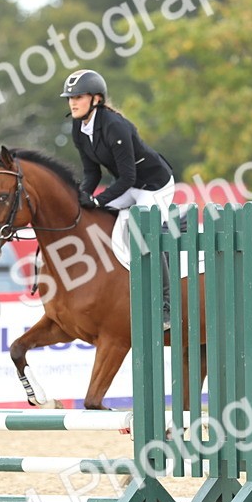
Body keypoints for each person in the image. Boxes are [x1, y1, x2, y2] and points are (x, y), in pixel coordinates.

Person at [61, 69, 176, 330]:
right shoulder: (78, 128)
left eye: (78, 96)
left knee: (147, 233)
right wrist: (83, 198)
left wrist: (100, 201)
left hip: (154, 185)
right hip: (129, 185)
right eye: (70, 97)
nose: (72, 102)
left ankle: (167, 304)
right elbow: (91, 173)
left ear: (96, 99)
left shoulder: (115, 127)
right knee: (93, 218)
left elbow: (127, 177)